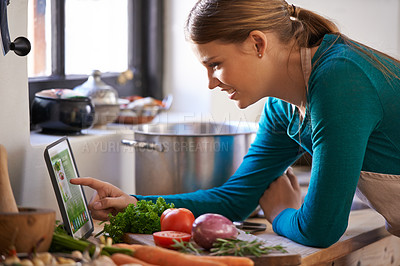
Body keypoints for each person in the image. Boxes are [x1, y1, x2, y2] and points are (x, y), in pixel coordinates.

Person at [71, 0, 400, 248]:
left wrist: (281, 211)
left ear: (258, 44)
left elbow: (320, 229)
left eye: (215, 64)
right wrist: (133, 205)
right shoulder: (282, 108)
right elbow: (235, 200)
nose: (211, 83)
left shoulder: (339, 81)